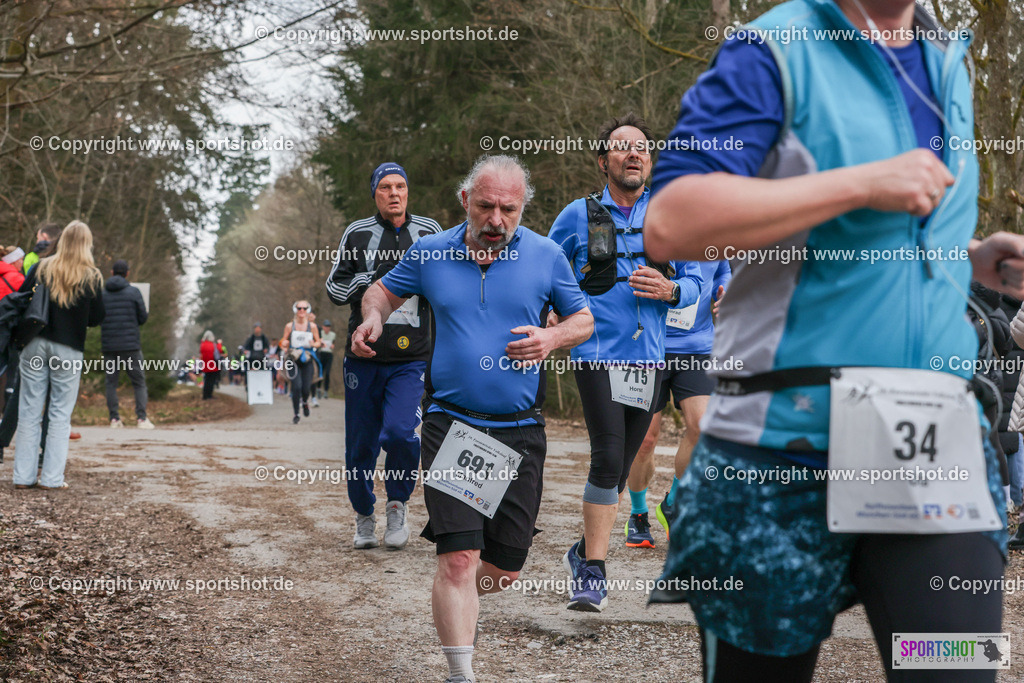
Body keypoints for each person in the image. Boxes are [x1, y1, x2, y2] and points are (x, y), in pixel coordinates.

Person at [643, 0, 1024, 678]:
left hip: (932, 445)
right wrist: (861, 184)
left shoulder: (947, 59)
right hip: (777, 454)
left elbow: (872, 238)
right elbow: (673, 220)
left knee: (955, 669)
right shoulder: (775, 50)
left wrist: (967, 256)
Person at [355, 154, 593, 683]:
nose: (496, 220)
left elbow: (584, 318)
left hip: (520, 429)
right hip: (452, 424)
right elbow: (381, 290)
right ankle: (461, 669)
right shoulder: (431, 253)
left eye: (509, 208)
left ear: (522, 208)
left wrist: (552, 337)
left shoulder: (547, 255)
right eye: (486, 206)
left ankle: (459, 603)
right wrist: (373, 316)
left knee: (503, 568)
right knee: (459, 559)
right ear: (465, 201)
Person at [547, 113, 703, 612]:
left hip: (651, 361)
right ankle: (593, 574)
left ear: (650, 160)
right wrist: (549, 317)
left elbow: (697, 282)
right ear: (603, 161)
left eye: (641, 147)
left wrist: (672, 288)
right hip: (596, 354)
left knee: (617, 472)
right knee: (609, 456)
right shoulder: (577, 215)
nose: (633, 153)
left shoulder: (672, 215)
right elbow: (544, 271)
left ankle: (580, 552)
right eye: (622, 147)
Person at [326, 161, 442, 550]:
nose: (394, 193)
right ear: (375, 194)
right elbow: (334, 286)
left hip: (412, 358)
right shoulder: (357, 233)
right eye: (386, 188)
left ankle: (396, 504)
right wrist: (369, 281)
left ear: (408, 192)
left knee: (401, 433)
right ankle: (363, 515)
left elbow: (447, 283)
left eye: (401, 186)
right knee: (361, 444)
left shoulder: (429, 232)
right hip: (364, 357)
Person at [624, 261, 729, 548]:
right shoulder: (648, 219)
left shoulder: (716, 225)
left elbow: (723, 271)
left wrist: (726, 293)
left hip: (697, 346)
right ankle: (638, 513)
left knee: (703, 427)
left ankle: (673, 502)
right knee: (644, 438)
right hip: (646, 344)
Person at [13, 221, 104, 490]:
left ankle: (23, 477)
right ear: (87, 244)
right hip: (68, 348)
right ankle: (51, 479)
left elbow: (20, 298)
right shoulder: (92, 276)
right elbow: (98, 317)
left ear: (61, 240)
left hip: (35, 344)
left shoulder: (42, 266)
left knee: (29, 412)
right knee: (59, 415)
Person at [101, 260, 153, 429]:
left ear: (111, 272)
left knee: (111, 383)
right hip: (131, 346)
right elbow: (143, 317)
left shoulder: (103, 294)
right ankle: (141, 419)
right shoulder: (134, 292)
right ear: (127, 273)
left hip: (109, 345)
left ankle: (114, 419)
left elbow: (98, 316)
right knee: (138, 382)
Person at [281, 300, 320, 424]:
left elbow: (318, 341)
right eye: (299, 308)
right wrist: (284, 344)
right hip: (293, 359)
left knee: (306, 388)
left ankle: (305, 402)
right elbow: (283, 342)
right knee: (296, 386)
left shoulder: (312, 326)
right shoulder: (289, 326)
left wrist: (314, 344)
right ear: (295, 310)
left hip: (307, 358)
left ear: (307, 310)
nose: (302, 310)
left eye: (304, 308)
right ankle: (296, 413)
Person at [317, 319, 336, 399]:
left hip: (329, 354)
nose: (327, 328)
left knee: (327, 373)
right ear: (323, 327)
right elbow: (317, 343)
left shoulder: (333, 334)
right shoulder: (320, 333)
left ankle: (325, 391)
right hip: (321, 354)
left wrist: (332, 346)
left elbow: (333, 343)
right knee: (320, 372)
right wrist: (320, 345)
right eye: (326, 326)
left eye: (329, 327)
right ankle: (318, 389)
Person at [199, 331, 218, 400]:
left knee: (206, 380)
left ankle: (205, 395)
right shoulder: (213, 345)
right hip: (212, 365)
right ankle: (209, 395)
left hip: (205, 365)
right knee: (211, 381)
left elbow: (201, 354)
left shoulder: (202, 345)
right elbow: (216, 356)